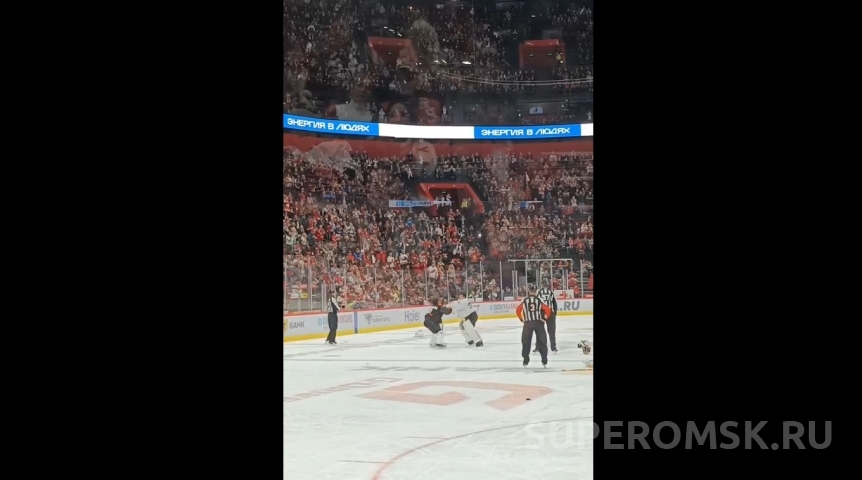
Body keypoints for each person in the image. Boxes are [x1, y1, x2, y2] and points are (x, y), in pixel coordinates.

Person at [516, 287, 552, 367]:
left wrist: (521, 319)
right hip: (538, 323)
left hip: (528, 323)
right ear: (536, 292)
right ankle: (544, 360)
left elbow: (518, 310)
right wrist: (544, 318)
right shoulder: (539, 300)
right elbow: (548, 309)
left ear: (529, 291)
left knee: (526, 342)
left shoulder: (524, 300)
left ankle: (525, 359)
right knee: (542, 341)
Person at [535, 282, 559, 354]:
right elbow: (554, 303)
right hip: (550, 312)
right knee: (552, 331)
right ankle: (553, 347)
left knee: (539, 331)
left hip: (542, 313)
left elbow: (536, 302)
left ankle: (537, 347)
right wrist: (554, 313)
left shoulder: (539, 291)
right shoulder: (551, 292)